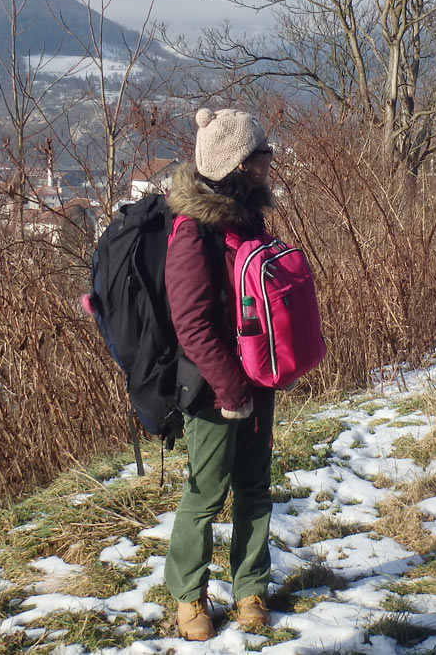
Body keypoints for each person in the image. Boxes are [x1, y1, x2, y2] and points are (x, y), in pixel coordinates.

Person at [163, 108, 278, 641]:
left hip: (257, 375)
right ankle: (188, 596)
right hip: (214, 387)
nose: (269, 162)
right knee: (206, 494)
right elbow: (191, 323)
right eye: (261, 156)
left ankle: (250, 586)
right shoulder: (192, 230)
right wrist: (230, 387)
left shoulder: (246, 216)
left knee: (254, 485)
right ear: (238, 165)